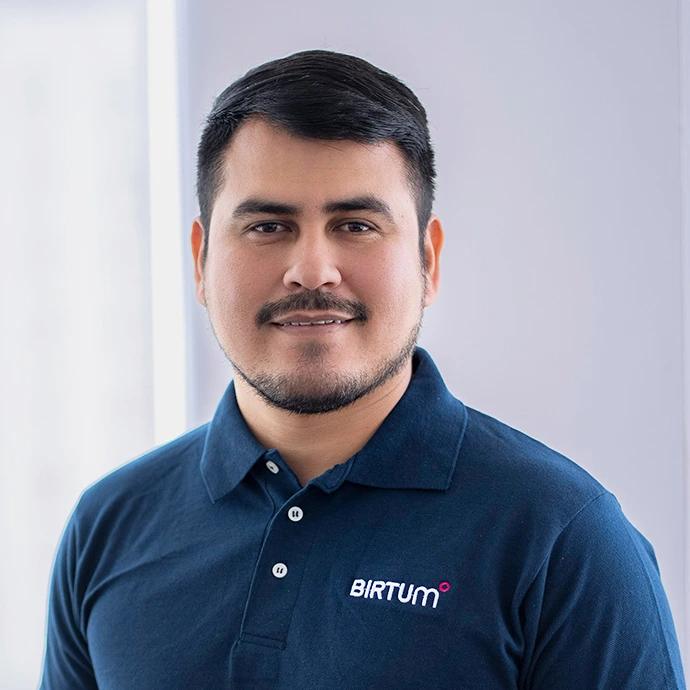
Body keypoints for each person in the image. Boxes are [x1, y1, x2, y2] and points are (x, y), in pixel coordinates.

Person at [40, 49, 685, 689]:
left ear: (427, 261)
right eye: (267, 226)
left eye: (354, 224)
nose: (312, 271)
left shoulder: (563, 539)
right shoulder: (107, 528)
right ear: (201, 259)